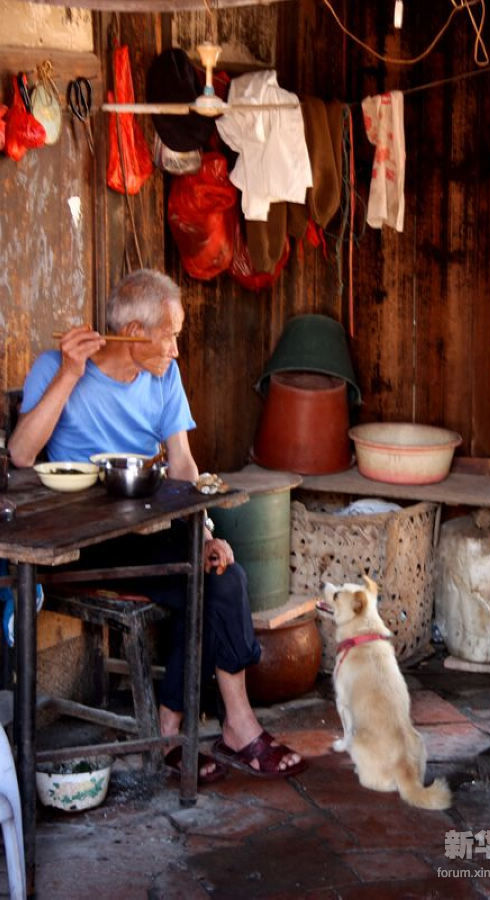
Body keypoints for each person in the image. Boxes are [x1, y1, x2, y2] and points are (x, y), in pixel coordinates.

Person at [8, 268, 305, 782]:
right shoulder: (56, 368)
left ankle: (212, 726)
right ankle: (195, 729)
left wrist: (206, 532)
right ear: (136, 333)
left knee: (218, 574)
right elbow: (20, 454)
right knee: (201, 584)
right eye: (169, 334)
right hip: (80, 543)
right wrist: (70, 376)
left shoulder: (164, 376)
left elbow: (184, 466)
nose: (175, 348)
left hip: (146, 527)